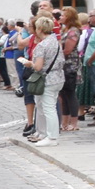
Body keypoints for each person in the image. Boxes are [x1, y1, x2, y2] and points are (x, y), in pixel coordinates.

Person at [25, 16, 64, 144]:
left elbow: (38, 66)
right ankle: (42, 133)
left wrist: (29, 63)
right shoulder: (55, 42)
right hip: (57, 77)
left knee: (48, 108)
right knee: (43, 106)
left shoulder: (42, 45)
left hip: (47, 79)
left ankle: (52, 137)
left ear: (40, 28)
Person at [56, 7, 82, 132]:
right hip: (62, 66)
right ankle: (64, 122)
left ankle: (74, 122)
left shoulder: (73, 31)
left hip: (70, 66)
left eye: (62, 15)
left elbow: (67, 50)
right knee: (62, 94)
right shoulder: (63, 29)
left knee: (70, 94)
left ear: (69, 17)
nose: (60, 17)